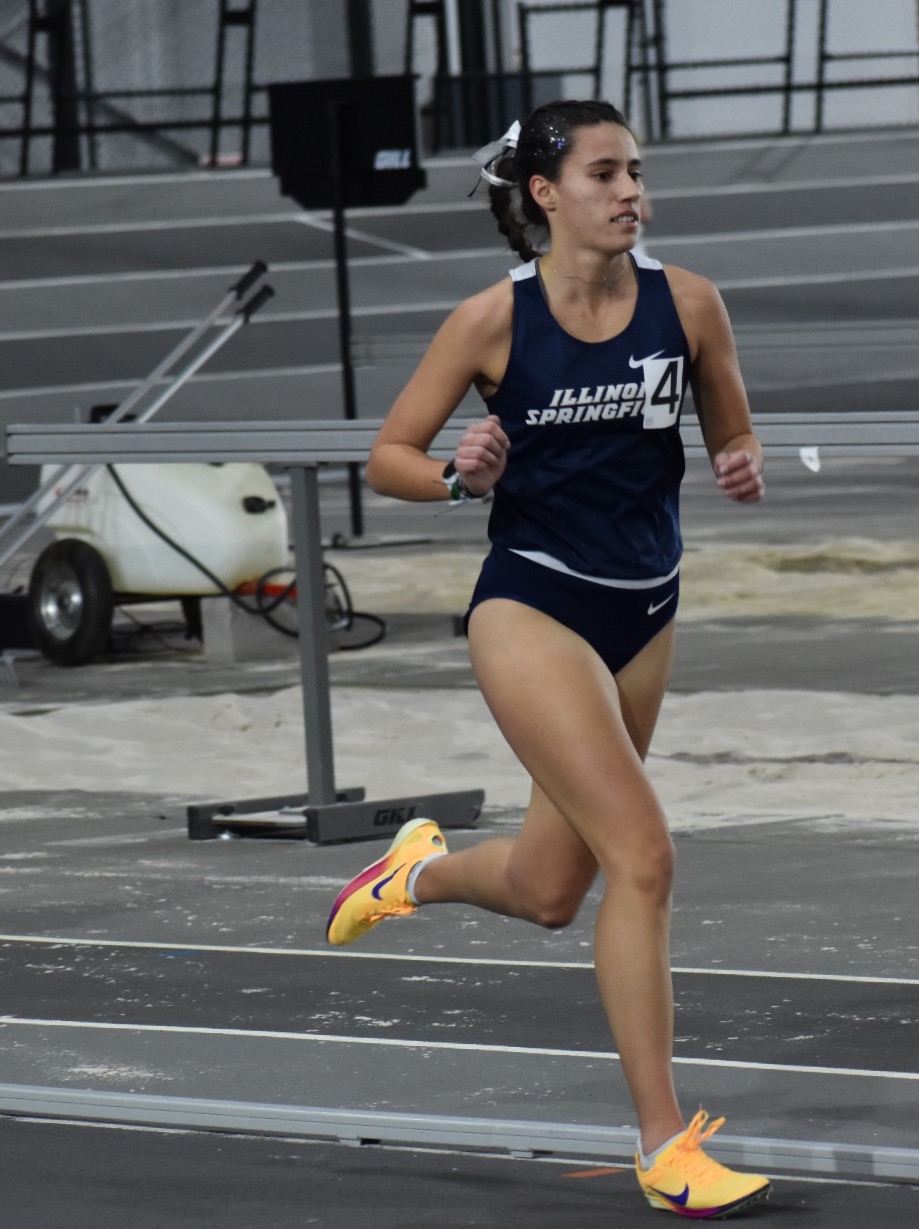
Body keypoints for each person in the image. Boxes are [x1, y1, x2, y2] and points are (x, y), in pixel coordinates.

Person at [329, 99, 771, 1218]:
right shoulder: (490, 321)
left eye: (636, 174)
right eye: (606, 174)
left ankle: (411, 875)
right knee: (645, 855)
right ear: (545, 195)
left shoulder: (690, 302)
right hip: (531, 605)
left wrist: (737, 454)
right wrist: (452, 474)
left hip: (644, 609)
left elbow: (727, 420)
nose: (631, 193)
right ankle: (664, 1143)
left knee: (546, 888)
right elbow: (386, 455)